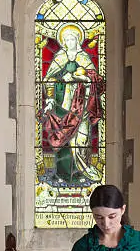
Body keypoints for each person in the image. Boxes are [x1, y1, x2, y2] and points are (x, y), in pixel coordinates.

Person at [41, 23, 104, 185]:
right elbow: (49, 78)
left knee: (82, 139)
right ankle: (62, 174)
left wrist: (83, 78)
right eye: (67, 39)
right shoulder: (60, 57)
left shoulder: (84, 57)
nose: (70, 42)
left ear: (77, 39)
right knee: (65, 139)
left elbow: (95, 78)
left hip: (81, 104)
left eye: (72, 38)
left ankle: (82, 170)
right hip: (63, 104)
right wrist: (59, 84)